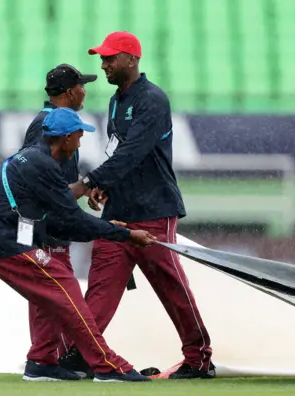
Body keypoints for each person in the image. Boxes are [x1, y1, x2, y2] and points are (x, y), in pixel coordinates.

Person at [0, 108, 155, 383]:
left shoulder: (36, 158)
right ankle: (106, 365)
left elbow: (63, 222)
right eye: (78, 136)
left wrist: (111, 230)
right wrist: (123, 234)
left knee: (50, 290)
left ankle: (41, 362)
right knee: (63, 281)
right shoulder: (43, 165)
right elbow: (74, 220)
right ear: (64, 139)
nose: (80, 142)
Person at [65, 31, 216, 379]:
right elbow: (119, 153)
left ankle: (199, 359)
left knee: (172, 289)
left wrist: (89, 183)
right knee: (101, 288)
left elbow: (134, 152)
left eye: (109, 58)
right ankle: (82, 354)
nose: (103, 65)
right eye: (101, 59)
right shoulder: (117, 101)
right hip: (118, 212)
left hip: (153, 211)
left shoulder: (153, 100)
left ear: (131, 59)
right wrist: (105, 187)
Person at [20, 64, 97, 372]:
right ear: (69, 93)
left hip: (48, 223)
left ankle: (51, 359)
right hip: (44, 226)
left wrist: (82, 188)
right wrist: (87, 185)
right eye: (81, 86)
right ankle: (43, 359)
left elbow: (58, 179)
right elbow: (37, 181)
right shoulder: (46, 125)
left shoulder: (52, 123)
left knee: (53, 294)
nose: (85, 91)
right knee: (52, 293)